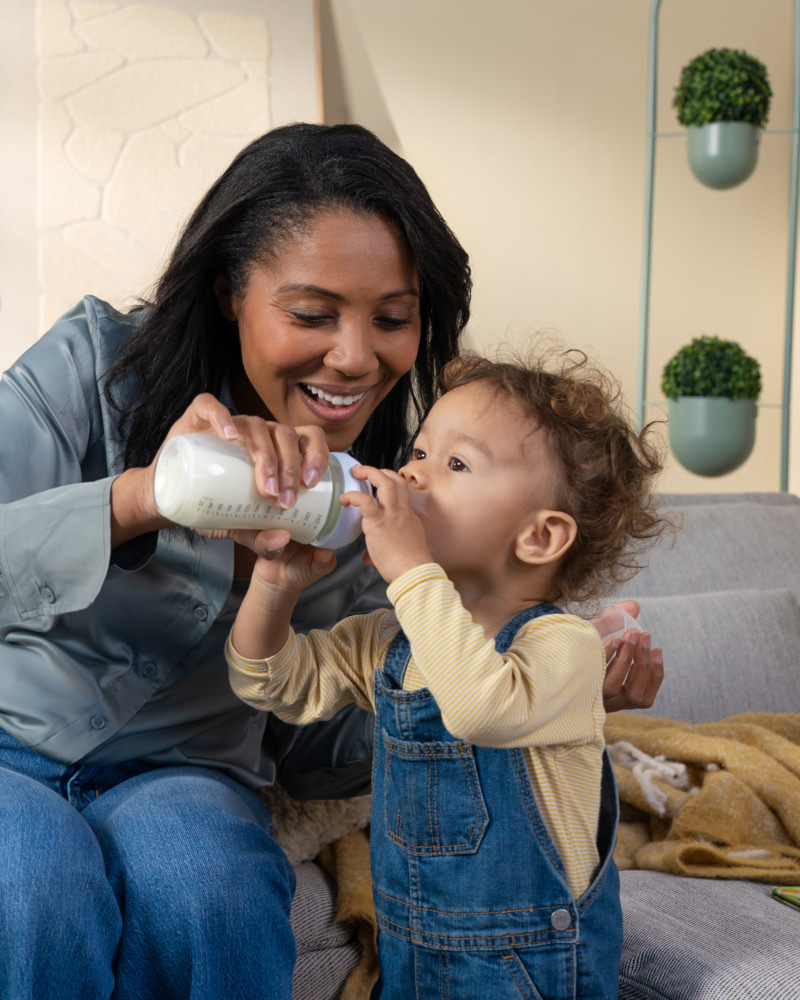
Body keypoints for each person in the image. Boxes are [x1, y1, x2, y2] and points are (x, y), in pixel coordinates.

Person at [0, 123, 660, 1000]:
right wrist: (142, 497)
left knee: (214, 893)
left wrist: (538, 687)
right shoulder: (94, 368)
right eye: (311, 314)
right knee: (31, 891)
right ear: (231, 290)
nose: (355, 357)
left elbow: (320, 733)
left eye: (393, 318)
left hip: (184, 772)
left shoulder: (393, 491)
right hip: (10, 746)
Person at [225, 351, 671, 1000]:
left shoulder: (563, 648)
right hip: (412, 957)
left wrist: (408, 566)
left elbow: (480, 708)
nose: (412, 475)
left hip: (527, 973)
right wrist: (275, 583)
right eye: (420, 451)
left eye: (455, 464)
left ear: (540, 538)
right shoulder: (392, 642)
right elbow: (268, 682)